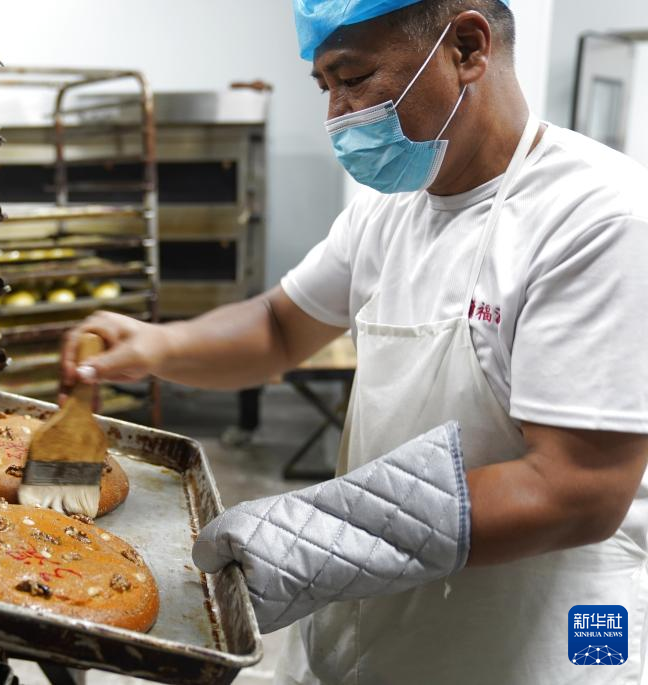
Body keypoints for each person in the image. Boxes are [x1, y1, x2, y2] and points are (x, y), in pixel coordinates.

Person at [60, 0, 648, 682]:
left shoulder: (598, 218)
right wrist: (154, 345)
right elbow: (279, 326)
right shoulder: (392, 208)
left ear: (466, 47)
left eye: (354, 78)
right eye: (325, 87)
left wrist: (324, 534)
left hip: (527, 633)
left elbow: (576, 489)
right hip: (387, 615)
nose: (337, 116)